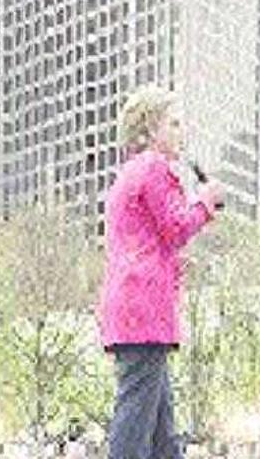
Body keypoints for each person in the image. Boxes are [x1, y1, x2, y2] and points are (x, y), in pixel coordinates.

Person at [96, 86, 224, 459]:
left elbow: (149, 238)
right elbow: (177, 225)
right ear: (151, 128)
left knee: (162, 430)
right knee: (136, 418)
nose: (181, 131)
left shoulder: (129, 174)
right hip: (145, 310)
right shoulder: (153, 168)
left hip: (133, 307)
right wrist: (206, 201)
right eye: (174, 123)